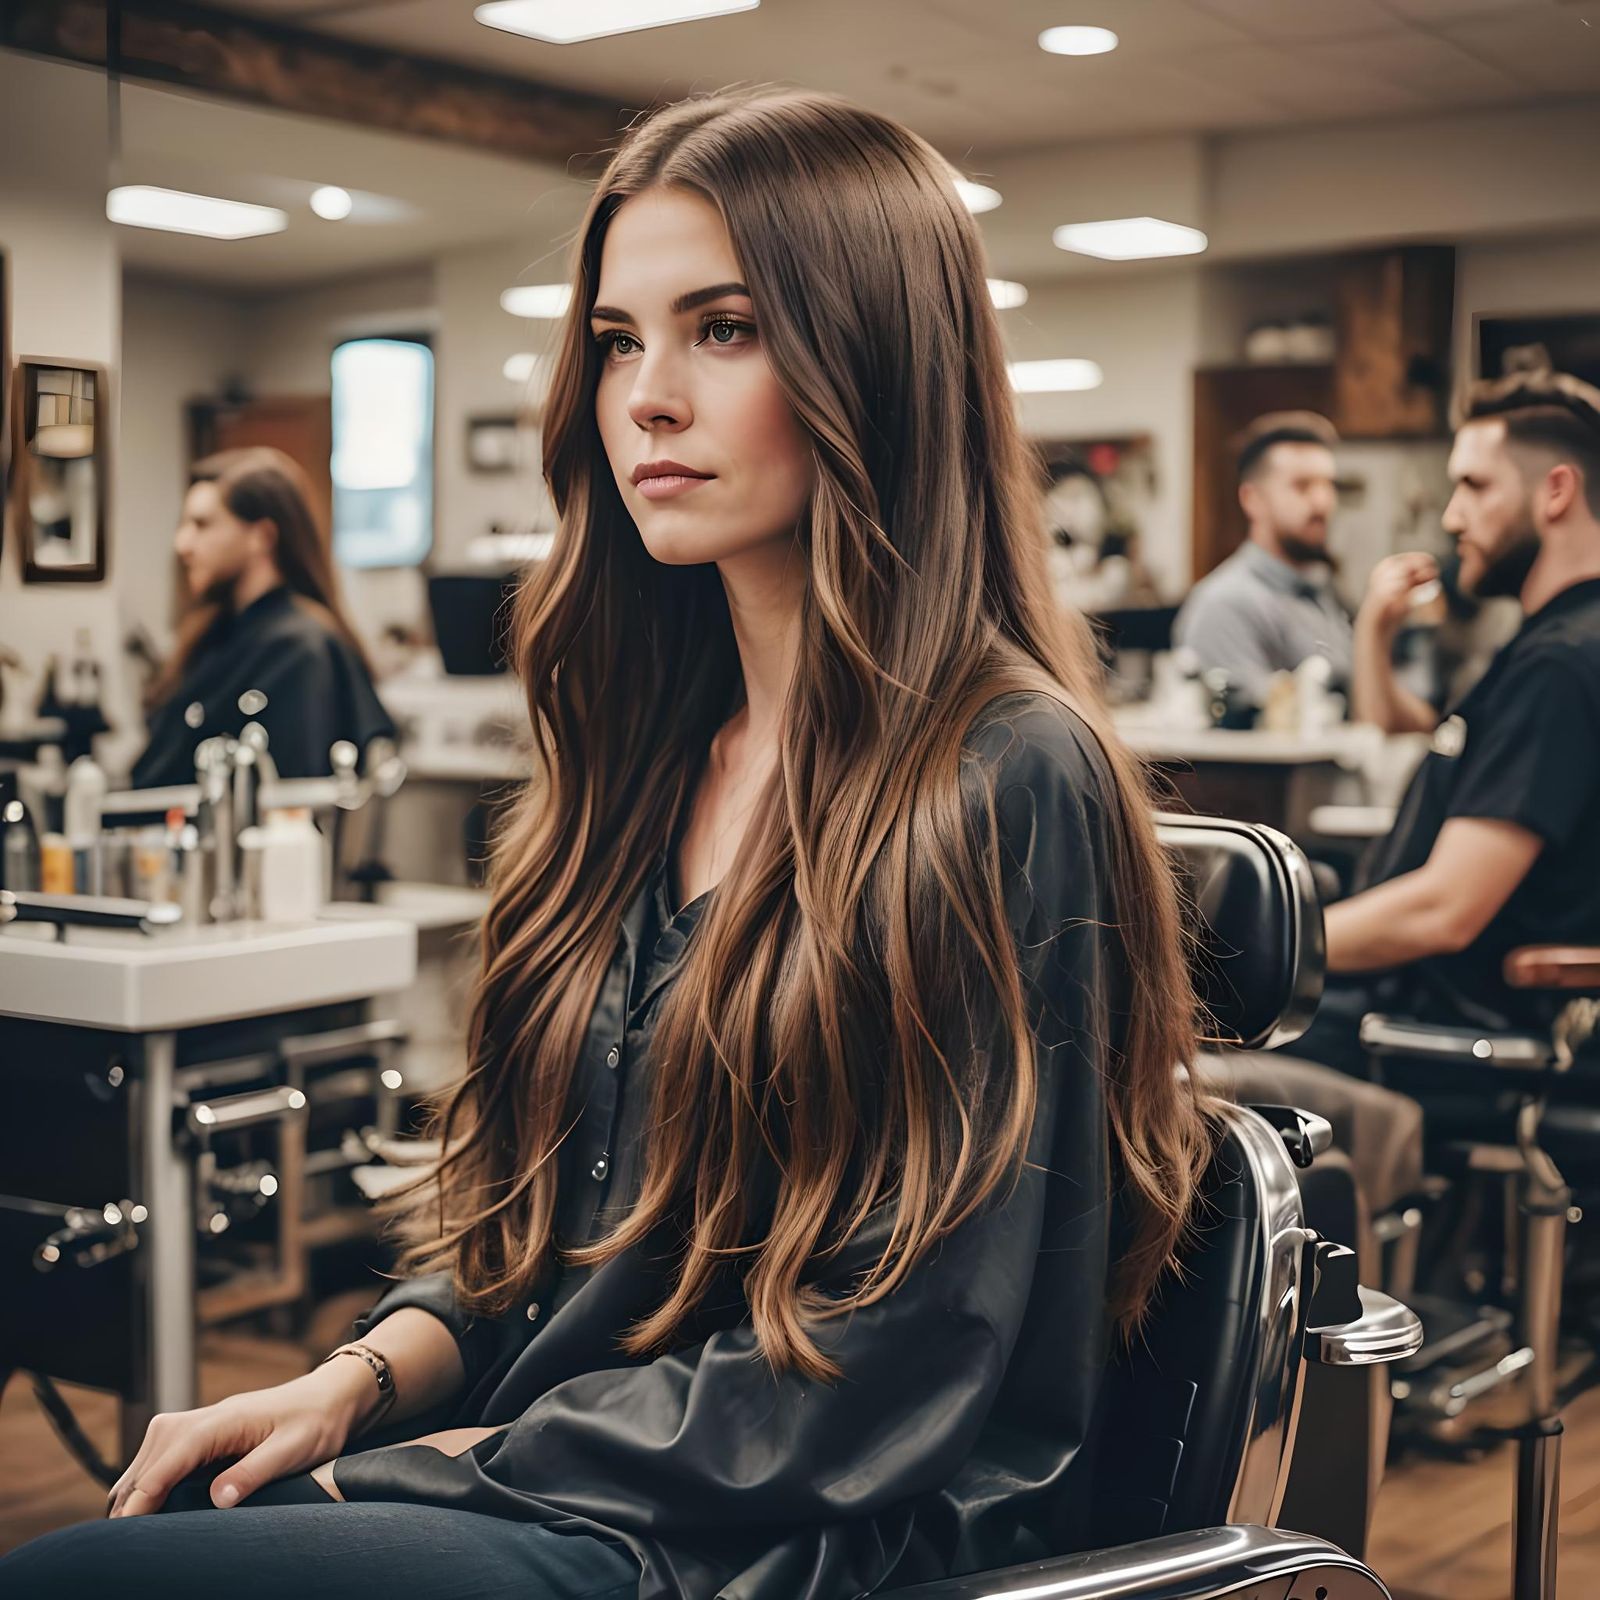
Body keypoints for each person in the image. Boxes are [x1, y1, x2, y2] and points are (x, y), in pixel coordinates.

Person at [2, 90, 1215, 1600]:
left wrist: (453, 1464)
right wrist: (360, 1384)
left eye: (723, 329)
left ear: (878, 364)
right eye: (622, 340)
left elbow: (896, 1357)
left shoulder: (1004, 773)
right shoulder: (641, 763)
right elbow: (544, 1233)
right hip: (582, 1486)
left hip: (790, 1544)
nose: (646, 396)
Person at [1293, 369, 1600, 1073]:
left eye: (1475, 486)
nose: (1453, 517)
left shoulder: (1561, 665)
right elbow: (1418, 729)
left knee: (1159, 1053)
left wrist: (1271, 950)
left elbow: (1446, 909)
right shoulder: (1548, 646)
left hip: (1444, 1032)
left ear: (1556, 492)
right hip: (1410, 1005)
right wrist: (1374, 629)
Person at [129, 447, 394, 789]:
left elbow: (290, 802)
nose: (183, 543)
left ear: (262, 537)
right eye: (184, 524)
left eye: (202, 524)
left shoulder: (297, 649)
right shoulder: (217, 633)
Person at [1174, 411, 1351, 708]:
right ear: (1252, 499)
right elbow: (1246, 742)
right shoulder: (1226, 604)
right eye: (1302, 485)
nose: (1322, 502)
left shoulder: (1320, 590)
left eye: (1328, 485)